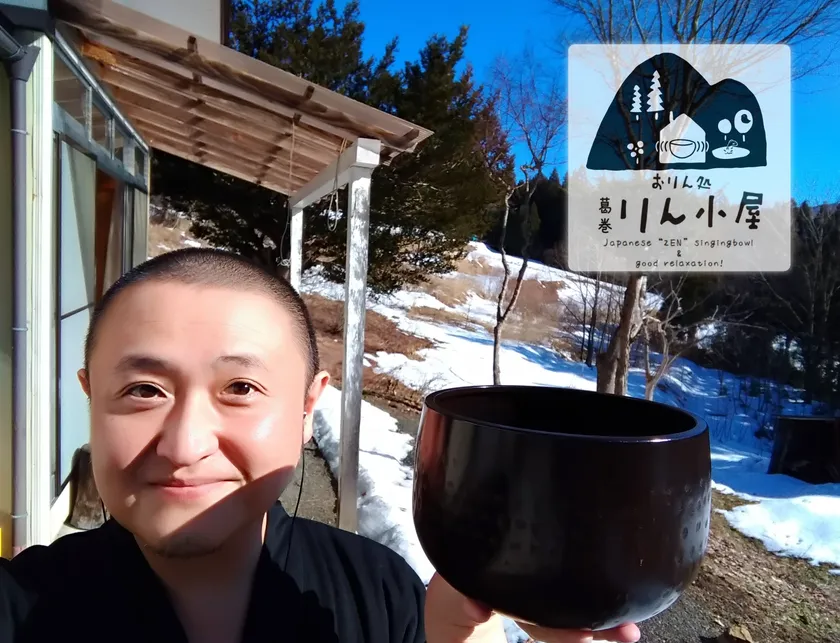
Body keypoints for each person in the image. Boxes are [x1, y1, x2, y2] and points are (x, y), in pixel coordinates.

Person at [0, 248, 640, 643]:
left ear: (307, 409)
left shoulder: (380, 595)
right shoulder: (20, 607)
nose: (185, 444)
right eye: (144, 390)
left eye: (240, 388)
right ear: (90, 398)